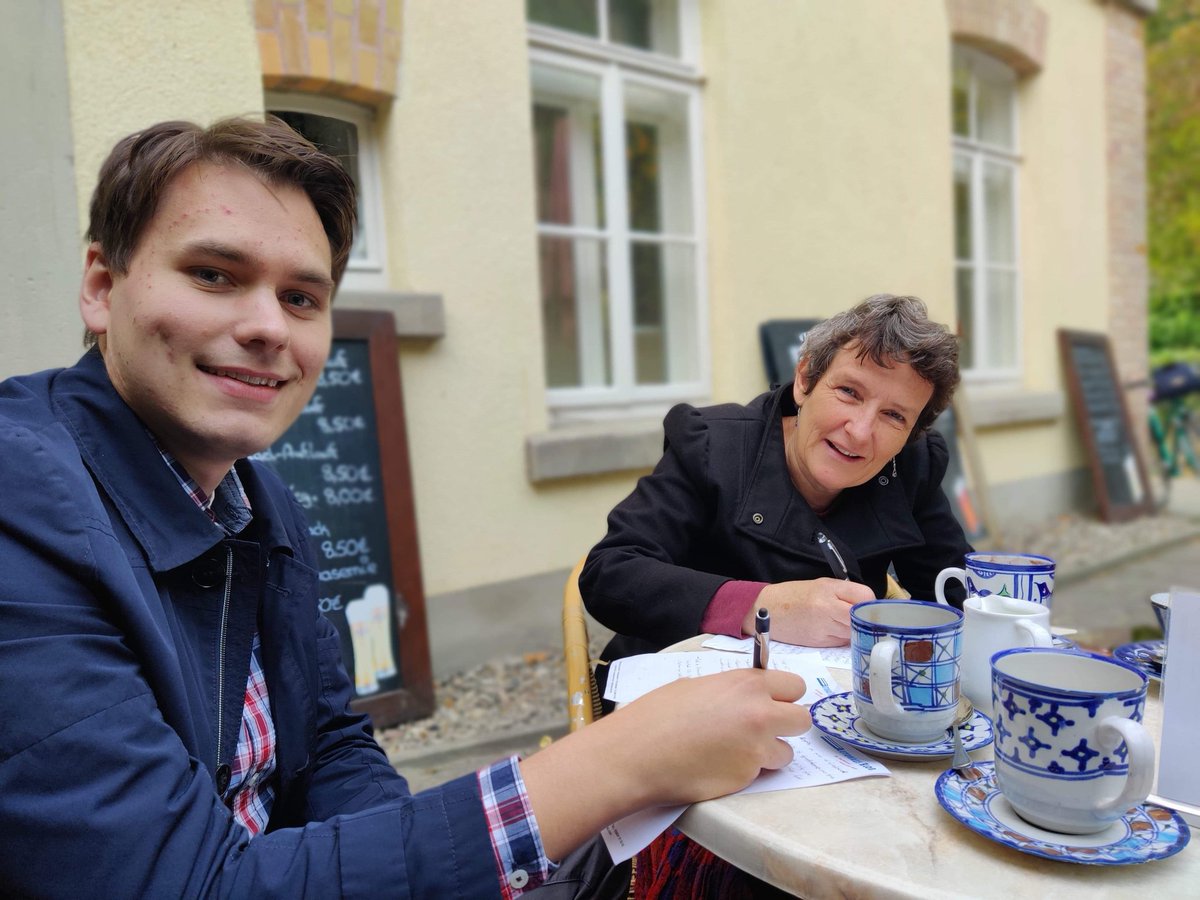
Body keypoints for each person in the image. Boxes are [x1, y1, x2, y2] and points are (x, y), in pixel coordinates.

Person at [0, 117, 812, 899]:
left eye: (301, 298)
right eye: (214, 275)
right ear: (102, 288)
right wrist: (616, 761)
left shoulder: (257, 498)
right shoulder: (24, 512)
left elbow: (329, 744)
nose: (265, 327)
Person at [580, 294, 972, 897]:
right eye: (849, 392)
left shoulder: (913, 468)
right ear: (805, 379)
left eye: (895, 416)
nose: (861, 431)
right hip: (684, 716)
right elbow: (611, 574)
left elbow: (952, 591)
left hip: (836, 728)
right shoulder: (712, 444)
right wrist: (763, 606)